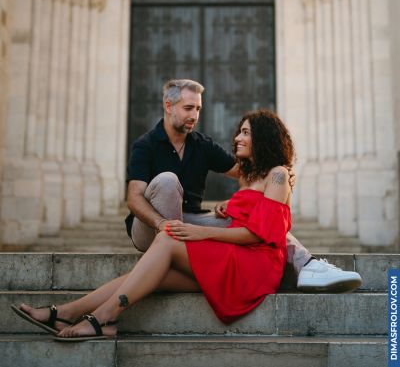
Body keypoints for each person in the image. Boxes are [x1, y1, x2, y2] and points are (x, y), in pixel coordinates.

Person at [12, 109, 293, 338]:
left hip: (255, 267)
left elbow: (259, 234)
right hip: (234, 260)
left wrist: (199, 232)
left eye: (245, 132)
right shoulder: (248, 175)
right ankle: (66, 311)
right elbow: (253, 209)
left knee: (169, 238)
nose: (237, 138)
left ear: (264, 137)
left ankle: (102, 318)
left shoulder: (278, 175)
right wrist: (228, 205)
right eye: (239, 132)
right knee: (149, 276)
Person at [125, 79, 362, 292]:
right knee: (167, 181)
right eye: (188, 108)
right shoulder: (146, 145)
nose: (195, 116)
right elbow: (134, 198)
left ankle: (307, 265)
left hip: (187, 220)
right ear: (168, 106)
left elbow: (246, 172)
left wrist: (276, 178)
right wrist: (161, 223)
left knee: (257, 218)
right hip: (150, 227)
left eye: (198, 109)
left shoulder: (201, 144)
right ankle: (167, 251)